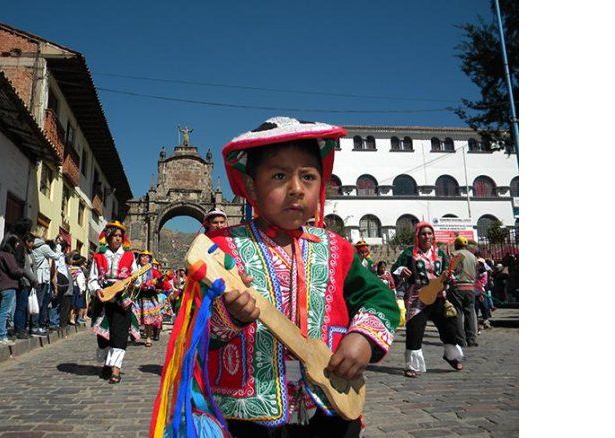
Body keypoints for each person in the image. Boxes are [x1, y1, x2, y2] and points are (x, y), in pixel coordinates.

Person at [204, 117, 399, 435]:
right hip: (245, 414)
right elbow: (194, 321)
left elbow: (380, 297)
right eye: (279, 176)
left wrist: (362, 338)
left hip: (330, 403)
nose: (296, 189)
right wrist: (230, 316)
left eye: (308, 177)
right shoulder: (221, 247)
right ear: (252, 185)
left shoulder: (337, 248)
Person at [392, 222, 463, 378]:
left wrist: (448, 276)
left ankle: (451, 356)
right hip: (417, 296)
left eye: (429, 233)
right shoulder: (409, 253)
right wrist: (401, 270)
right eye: (423, 234)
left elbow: (449, 272)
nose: (427, 237)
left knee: (449, 327)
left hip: (438, 295)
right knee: (415, 331)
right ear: (417, 236)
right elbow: (395, 269)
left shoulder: (440, 253)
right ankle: (412, 365)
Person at [88, 221, 141, 384]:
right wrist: (98, 290)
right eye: (115, 236)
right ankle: (106, 362)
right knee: (103, 335)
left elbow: (136, 278)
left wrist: (133, 282)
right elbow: (93, 278)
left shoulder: (129, 256)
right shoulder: (99, 256)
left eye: (120, 236)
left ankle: (115, 369)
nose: (118, 239)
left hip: (122, 297)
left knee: (120, 333)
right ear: (108, 237)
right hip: (103, 297)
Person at [0, 234, 26, 345]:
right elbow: (14, 270)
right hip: (8, 285)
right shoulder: (8, 255)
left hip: (1, 285)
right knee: (5, 312)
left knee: (0, 312)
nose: (18, 245)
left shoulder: (0, 254)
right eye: (16, 243)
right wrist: (22, 271)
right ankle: (1, 336)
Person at [448, 236, 479, 347]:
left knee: (458, 313)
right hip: (470, 288)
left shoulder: (453, 255)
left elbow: (449, 271)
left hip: (457, 287)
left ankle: (461, 340)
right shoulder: (473, 257)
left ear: (456, 244)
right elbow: (477, 272)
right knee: (470, 313)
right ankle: (471, 339)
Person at [29, 232, 61, 337]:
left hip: (37, 276)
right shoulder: (44, 247)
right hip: (42, 278)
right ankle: (35, 326)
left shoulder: (34, 247)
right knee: (39, 303)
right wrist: (58, 247)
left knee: (36, 302)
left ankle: (34, 325)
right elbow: (56, 257)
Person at [135, 250, 163, 347]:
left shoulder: (154, 271)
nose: (144, 259)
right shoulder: (135, 270)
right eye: (143, 256)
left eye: (147, 257)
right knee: (134, 316)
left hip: (150, 297)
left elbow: (161, 283)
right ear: (139, 258)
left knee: (148, 319)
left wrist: (156, 282)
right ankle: (133, 333)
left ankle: (148, 337)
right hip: (137, 296)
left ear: (150, 259)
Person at [12, 233, 37, 339]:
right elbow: (26, 268)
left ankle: (23, 328)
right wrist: (33, 279)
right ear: (27, 242)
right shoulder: (22, 252)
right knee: (21, 307)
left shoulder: (30, 253)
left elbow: (33, 267)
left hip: (30, 282)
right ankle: (19, 329)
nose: (32, 244)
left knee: (25, 307)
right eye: (31, 242)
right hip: (24, 281)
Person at [68, 252, 88, 325]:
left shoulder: (69, 268)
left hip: (71, 286)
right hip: (77, 288)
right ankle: (72, 319)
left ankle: (71, 318)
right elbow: (80, 281)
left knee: (72, 304)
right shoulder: (78, 270)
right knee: (76, 305)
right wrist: (81, 289)